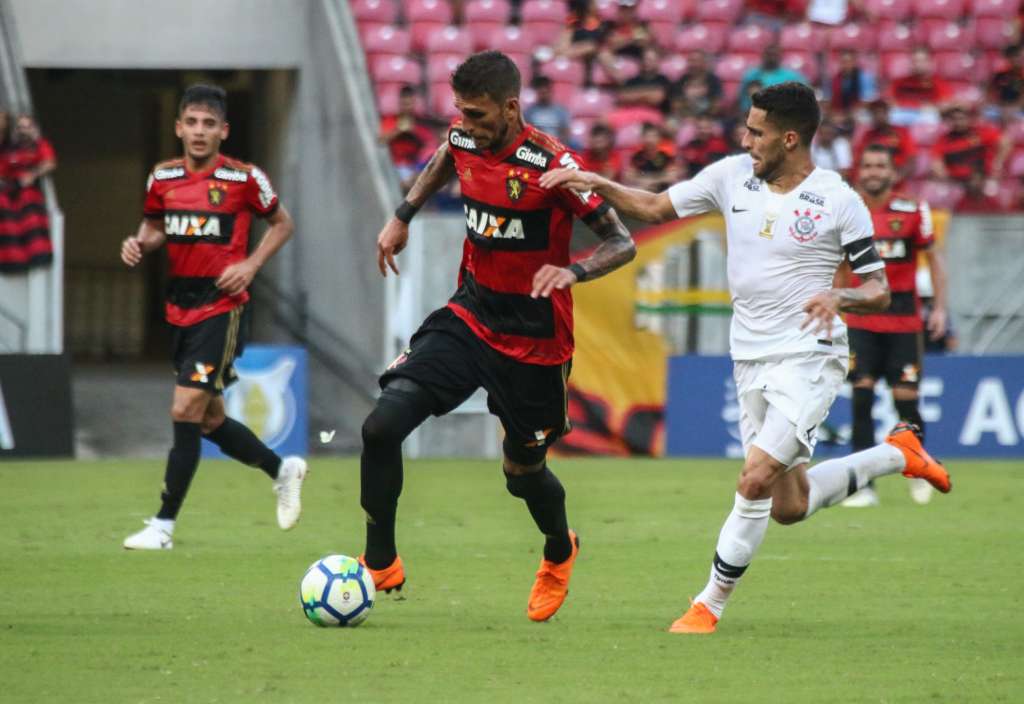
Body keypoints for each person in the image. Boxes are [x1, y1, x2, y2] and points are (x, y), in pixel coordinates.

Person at [540, 82, 951, 634]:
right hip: (749, 357)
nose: (745, 139)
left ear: (789, 138)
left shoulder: (838, 199)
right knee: (789, 505)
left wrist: (840, 295)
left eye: (756, 132)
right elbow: (655, 207)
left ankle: (707, 604)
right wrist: (595, 182)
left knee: (754, 478)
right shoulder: (730, 175)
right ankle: (897, 454)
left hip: (811, 356)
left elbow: (877, 287)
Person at [364, 51, 636, 621]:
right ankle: (380, 560)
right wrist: (402, 214)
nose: (465, 124)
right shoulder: (464, 138)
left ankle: (560, 550)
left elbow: (621, 241)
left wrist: (575, 271)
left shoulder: (553, 163)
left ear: (510, 109)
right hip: (470, 318)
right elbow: (446, 155)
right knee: (382, 425)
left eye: (478, 115)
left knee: (522, 473)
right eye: (460, 113)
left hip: (536, 342)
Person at [119, 84, 306, 550]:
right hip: (178, 307)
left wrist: (249, 265)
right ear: (178, 127)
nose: (200, 132)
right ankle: (281, 469)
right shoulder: (162, 177)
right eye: (192, 123)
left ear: (224, 131)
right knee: (208, 420)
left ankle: (163, 526)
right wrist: (139, 243)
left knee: (184, 408)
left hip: (219, 308)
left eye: (209, 124)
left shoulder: (244, 179)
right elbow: (155, 226)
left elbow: (283, 222)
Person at [841, 144, 947, 507]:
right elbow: (840, 265)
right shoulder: (847, 210)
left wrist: (940, 309)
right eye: (867, 165)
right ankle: (861, 485)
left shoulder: (913, 209)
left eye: (879, 166)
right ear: (859, 170)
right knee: (862, 395)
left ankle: (919, 466)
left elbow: (933, 261)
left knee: (906, 401)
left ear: (891, 172)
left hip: (903, 320)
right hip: (861, 318)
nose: (873, 171)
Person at [0, 113, 57, 271]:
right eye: (20, 127)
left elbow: (49, 163)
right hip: (9, 188)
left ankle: (39, 256)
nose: (23, 130)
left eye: (27, 126)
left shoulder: (40, 145)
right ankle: (11, 260)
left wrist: (33, 174)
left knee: (29, 205)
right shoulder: (10, 149)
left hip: (27, 188)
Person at [379, 85, 437, 193]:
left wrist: (414, 131)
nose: (407, 107)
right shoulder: (391, 120)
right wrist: (399, 131)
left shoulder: (419, 122)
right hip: (396, 165)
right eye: (404, 104)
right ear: (400, 103)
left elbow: (430, 142)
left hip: (415, 165)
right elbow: (381, 140)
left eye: (410, 104)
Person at [852, 99, 917, 182]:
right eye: (874, 112)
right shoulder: (868, 136)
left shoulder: (901, 132)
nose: (878, 115)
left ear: (888, 113)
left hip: (897, 182)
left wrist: (898, 176)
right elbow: (859, 160)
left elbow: (912, 160)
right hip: (873, 180)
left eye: (881, 112)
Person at [738, 46, 807, 114]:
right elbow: (742, 99)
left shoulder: (792, 76)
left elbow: (805, 96)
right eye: (768, 54)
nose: (771, 58)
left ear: (780, 56)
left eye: (774, 55)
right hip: (755, 115)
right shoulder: (751, 75)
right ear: (763, 55)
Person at [624, 122, 681, 192]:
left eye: (653, 136)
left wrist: (650, 180)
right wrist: (658, 177)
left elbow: (671, 177)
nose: (650, 140)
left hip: (662, 192)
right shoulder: (636, 156)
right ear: (642, 138)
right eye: (647, 136)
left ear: (659, 138)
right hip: (643, 190)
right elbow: (628, 177)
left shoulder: (667, 155)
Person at [886, 48, 951, 109]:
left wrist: (932, 107)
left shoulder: (939, 85)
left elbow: (945, 105)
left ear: (930, 62)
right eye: (915, 61)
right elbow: (888, 100)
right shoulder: (899, 83)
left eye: (922, 61)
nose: (918, 64)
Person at [523, 76, 572, 144]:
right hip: (537, 145)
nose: (544, 95)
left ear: (551, 91)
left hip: (557, 146)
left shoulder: (560, 111)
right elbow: (527, 132)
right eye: (541, 93)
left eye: (546, 92)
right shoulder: (530, 112)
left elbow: (565, 132)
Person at [680, 113, 730, 178]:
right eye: (700, 128)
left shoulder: (718, 144)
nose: (703, 131)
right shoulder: (691, 145)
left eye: (706, 128)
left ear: (711, 128)